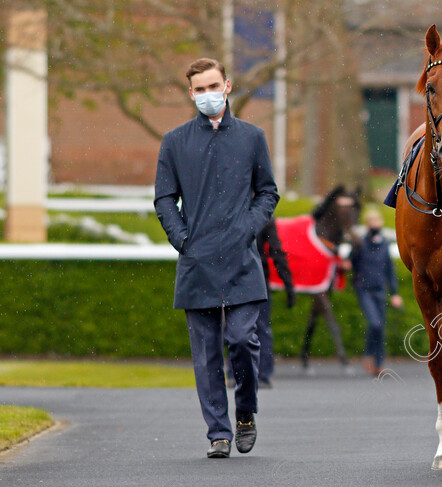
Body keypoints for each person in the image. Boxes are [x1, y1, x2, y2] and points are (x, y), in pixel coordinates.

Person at [154, 57, 279, 459]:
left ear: (227, 86)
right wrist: (182, 240)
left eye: (214, 86)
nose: (208, 95)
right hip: (197, 261)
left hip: (242, 260)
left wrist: (248, 228)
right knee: (206, 356)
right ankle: (218, 434)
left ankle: (245, 414)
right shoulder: (174, 142)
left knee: (243, 340)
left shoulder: (252, 137)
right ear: (191, 93)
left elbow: (268, 192)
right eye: (200, 89)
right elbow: (163, 198)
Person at [227, 218, 296, 389]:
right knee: (261, 328)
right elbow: (277, 252)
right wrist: (288, 285)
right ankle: (262, 374)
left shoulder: (230, 212)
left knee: (233, 328)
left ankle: (236, 373)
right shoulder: (264, 217)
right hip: (257, 281)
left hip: (235, 280)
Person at [349, 209, 403, 375]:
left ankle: (378, 364)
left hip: (380, 290)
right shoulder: (360, 244)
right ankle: (369, 354)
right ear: (367, 225)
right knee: (375, 323)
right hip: (364, 289)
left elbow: (389, 270)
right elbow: (352, 263)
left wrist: (394, 293)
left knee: (380, 327)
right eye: (372, 222)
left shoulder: (384, 244)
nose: (375, 225)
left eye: (377, 222)